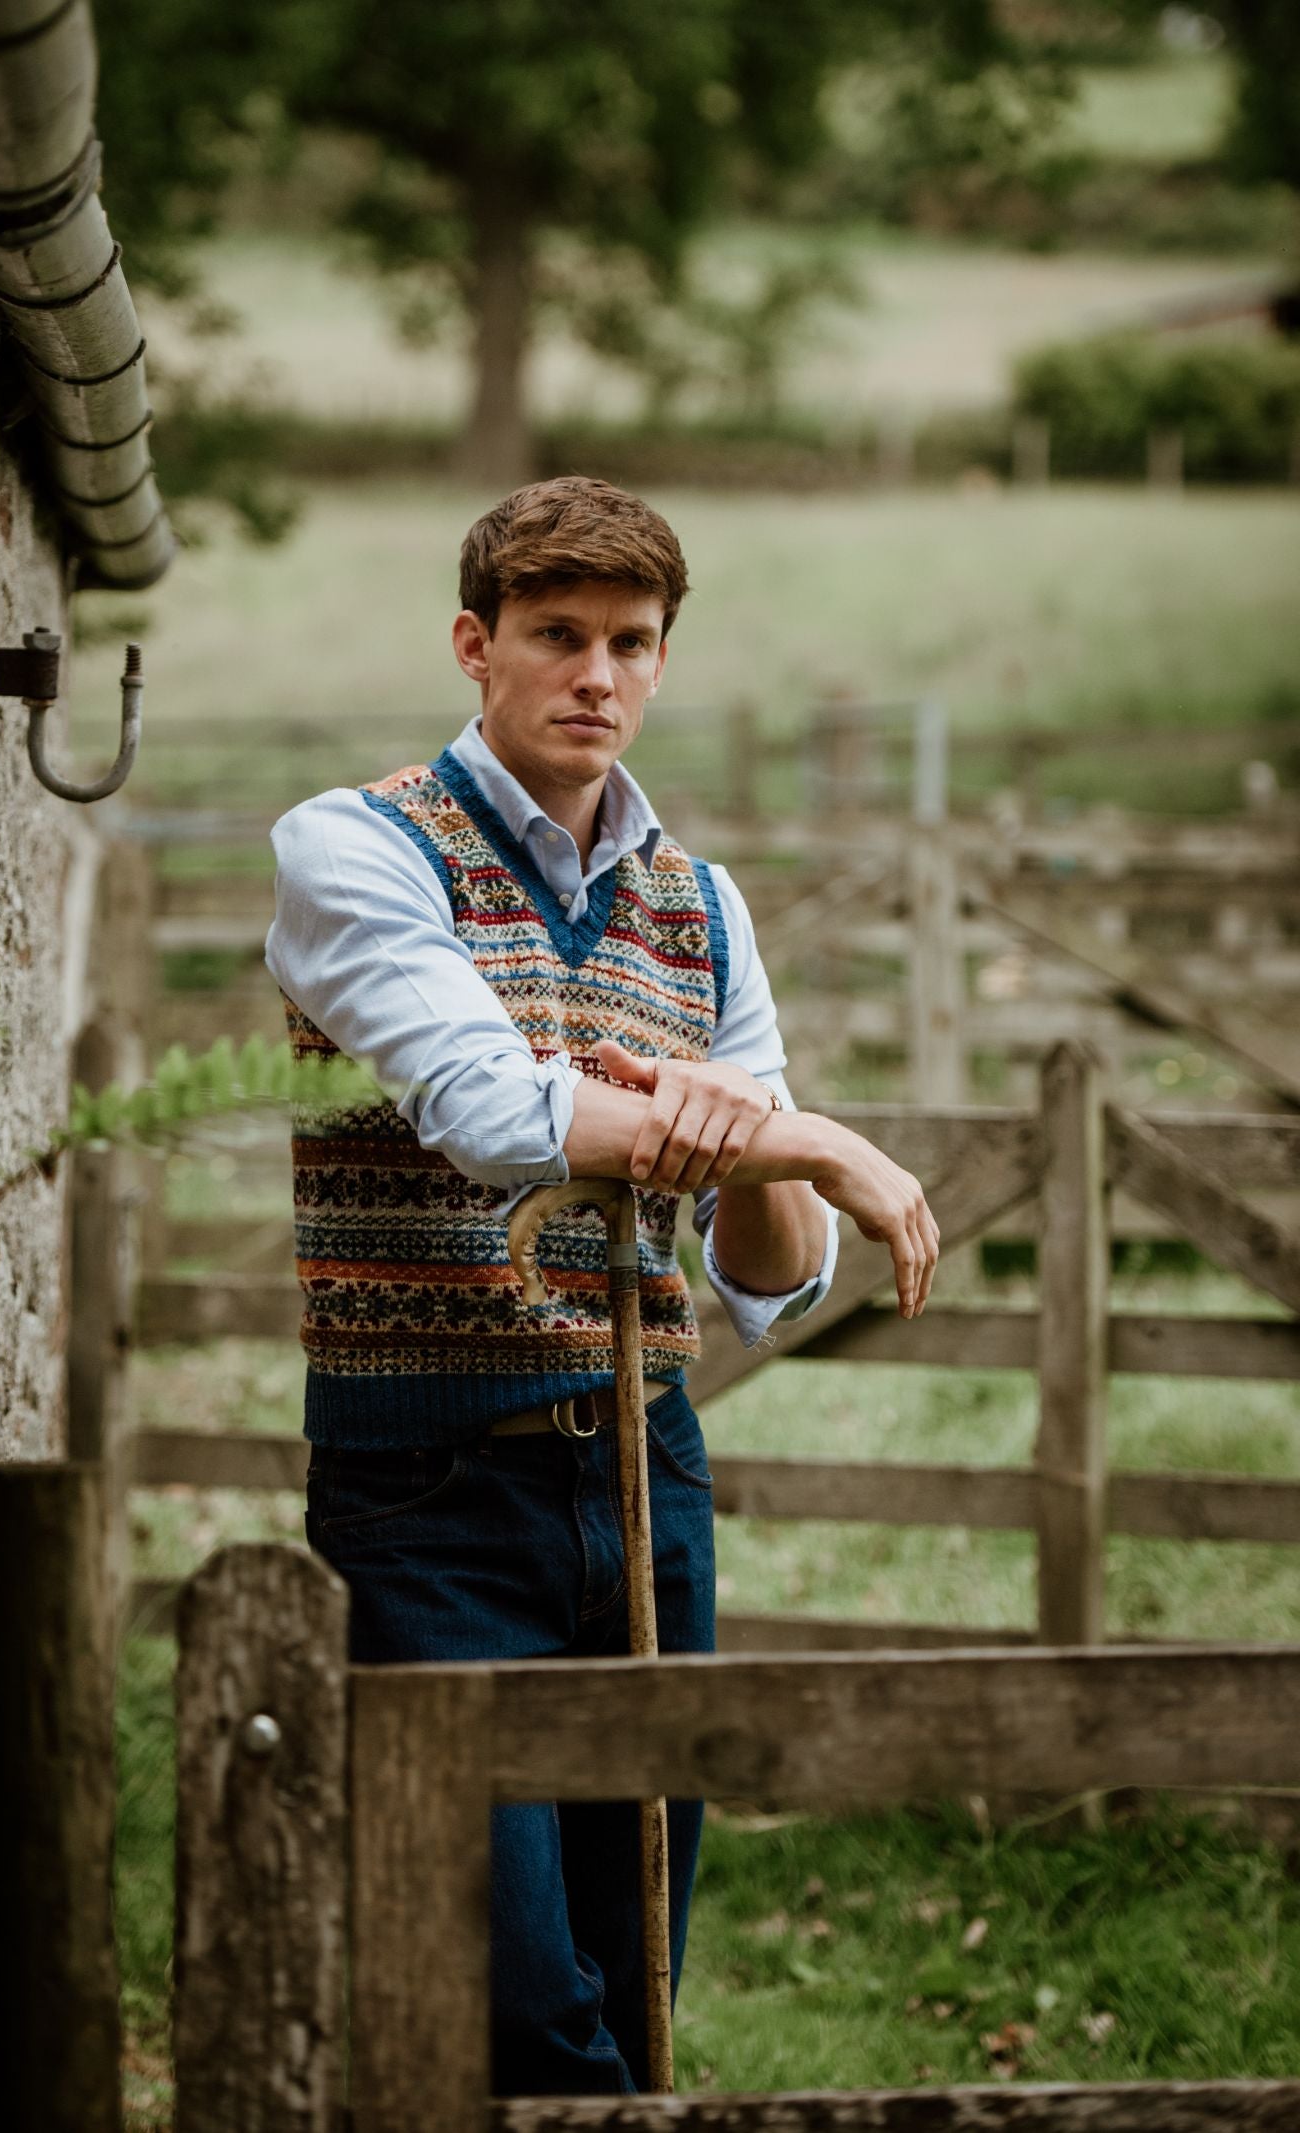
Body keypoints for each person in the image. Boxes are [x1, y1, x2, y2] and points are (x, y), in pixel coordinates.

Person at [265, 476, 939, 2096]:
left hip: (647, 1472)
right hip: (428, 1488)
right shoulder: (355, 847)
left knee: (631, 1979)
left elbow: (765, 1279)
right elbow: (493, 1117)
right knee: (505, 2000)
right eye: (557, 636)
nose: (597, 675)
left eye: (631, 643)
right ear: (473, 645)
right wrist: (812, 1139)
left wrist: (760, 1154)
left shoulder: (699, 906)